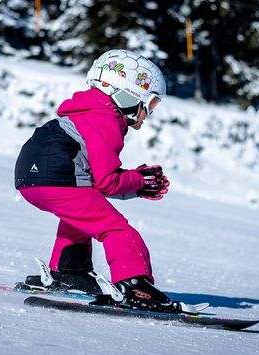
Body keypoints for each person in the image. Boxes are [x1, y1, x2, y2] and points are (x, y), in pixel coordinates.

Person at [14, 49, 175, 311]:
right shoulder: (106, 120)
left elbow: (96, 181)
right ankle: (134, 286)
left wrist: (135, 182)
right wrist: (139, 181)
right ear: (128, 94)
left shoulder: (83, 114)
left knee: (80, 216)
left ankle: (71, 271)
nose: (148, 114)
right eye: (151, 104)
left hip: (30, 179)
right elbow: (107, 182)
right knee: (116, 229)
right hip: (58, 177)